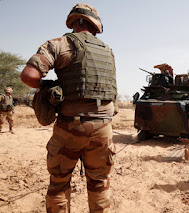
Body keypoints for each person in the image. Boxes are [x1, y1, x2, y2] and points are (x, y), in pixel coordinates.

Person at [20, 3, 117, 212]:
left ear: (74, 21)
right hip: (103, 128)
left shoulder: (59, 44)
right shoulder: (108, 51)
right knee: (100, 183)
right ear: (95, 25)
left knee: (59, 184)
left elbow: (28, 76)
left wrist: (48, 87)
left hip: (70, 128)